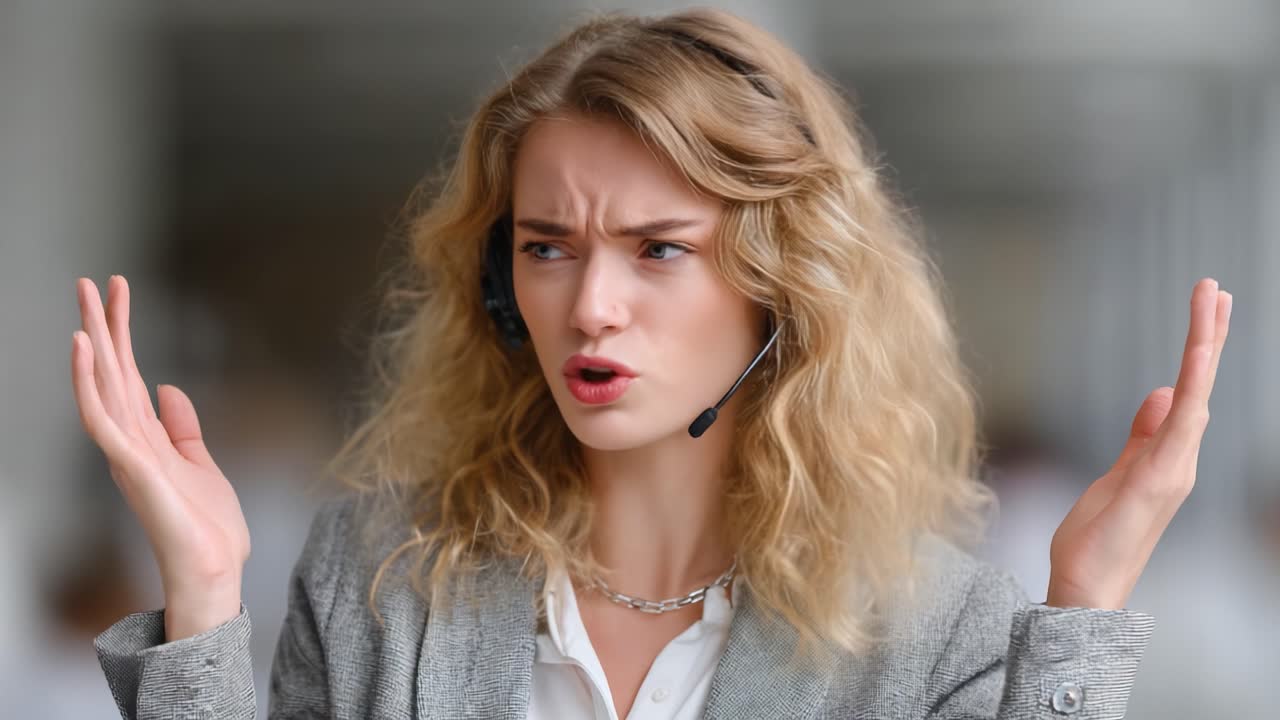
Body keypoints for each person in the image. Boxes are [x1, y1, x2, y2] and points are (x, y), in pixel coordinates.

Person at [71, 8, 1233, 720]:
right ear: (497, 283)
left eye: (657, 250)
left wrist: (1083, 608)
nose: (590, 306)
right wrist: (205, 598)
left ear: (779, 280)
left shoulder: (934, 623)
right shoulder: (378, 575)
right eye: (545, 248)